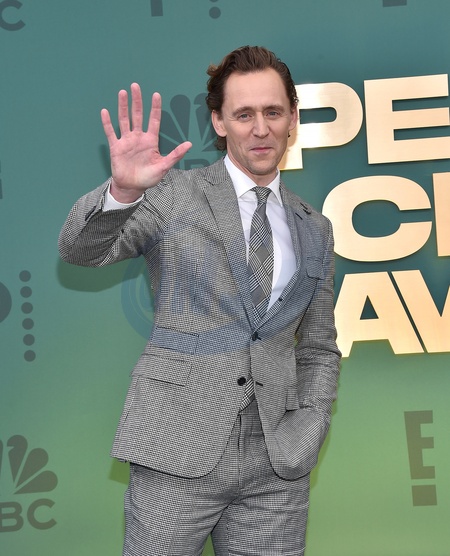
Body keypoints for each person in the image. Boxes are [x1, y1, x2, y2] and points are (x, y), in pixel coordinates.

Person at [59, 45, 341, 556]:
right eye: (244, 114)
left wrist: (311, 423)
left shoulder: (315, 228)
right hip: (175, 447)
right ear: (218, 121)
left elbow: (319, 347)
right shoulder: (172, 194)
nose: (260, 129)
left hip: (277, 465)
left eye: (273, 112)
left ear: (293, 119)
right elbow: (81, 251)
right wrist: (122, 192)